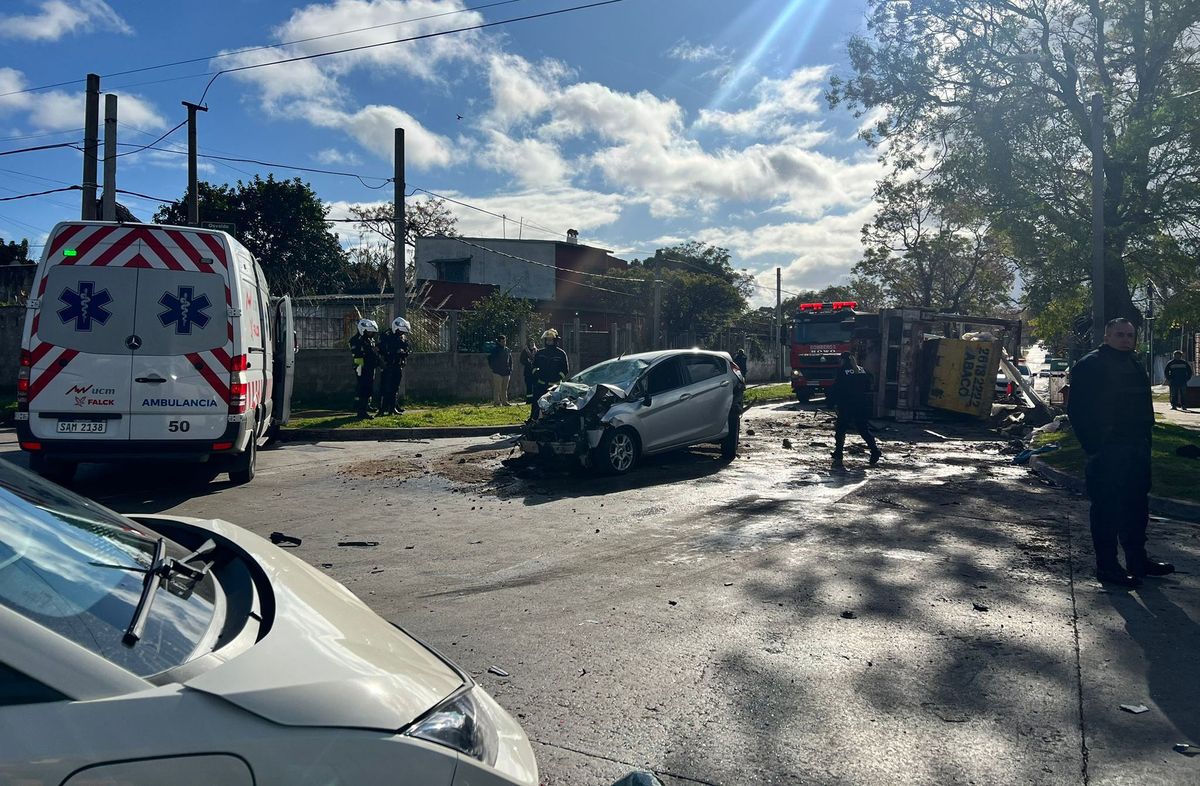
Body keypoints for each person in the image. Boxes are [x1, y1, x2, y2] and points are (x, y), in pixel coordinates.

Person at [1067, 317, 1173, 587]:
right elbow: (1078, 410)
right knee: (1107, 509)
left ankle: (1138, 560)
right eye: (1119, 335)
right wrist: (1094, 446)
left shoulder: (1134, 362)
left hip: (1137, 445)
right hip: (1108, 449)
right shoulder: (1092, 364)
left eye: (1129, 335)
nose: (1126, 339)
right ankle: (1108, 567)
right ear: (1106, 337)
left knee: (1137, 506)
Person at [828, 352, 881, 470]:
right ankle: (874, 450)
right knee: (863, 430)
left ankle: (838, 452)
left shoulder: (842, 371)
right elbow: (869, 383)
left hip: (846, 405)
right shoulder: (862, 370)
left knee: (841, 429)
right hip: (861, 405)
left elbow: (837, 388)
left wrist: (831, 403)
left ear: (843, 360)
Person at [529, 328, 570, 419]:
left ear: (555, 340)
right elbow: (533, 367)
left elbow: (565, 370)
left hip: (555, 387)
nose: (549, 342)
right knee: (536, 405)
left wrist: (557, 377)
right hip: (540, 385)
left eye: (551, 340)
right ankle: (533, 421)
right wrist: (537, 374)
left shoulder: (561, 354)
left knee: (554, 407)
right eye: (547, 340)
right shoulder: (540, 353)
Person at [348, 318, 381, 419]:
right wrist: (360, 368)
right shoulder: (356, 340)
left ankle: (366, 405)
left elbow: (372, 352)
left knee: (368, 388)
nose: (372, 333)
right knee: (363, 388)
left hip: (370, 367)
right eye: (370, 331)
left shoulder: (368, 339)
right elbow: (357, 356)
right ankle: (361, 411)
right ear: (363, 329)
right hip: (363, 368)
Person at [378, 316, 411, 416]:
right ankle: (382, 409)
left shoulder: (402, 337)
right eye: (401, 331)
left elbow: (408, 348)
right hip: (388, 365)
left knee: (395, 388)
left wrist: (404, 353)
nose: (402, 334)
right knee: (386, 388)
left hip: (398, 365)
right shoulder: (386, 336)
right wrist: (394, 352)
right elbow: (382, 349)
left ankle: (393, 408)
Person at [488, 334, 513, 406]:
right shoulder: (495, 350)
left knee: (504, 389)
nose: (504, 343)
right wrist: (494, 368)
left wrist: (510, 369)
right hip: (497, 372)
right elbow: (490, 360)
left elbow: (510, 360)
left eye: (505, 341)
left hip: (506, 372)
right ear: (499, 342)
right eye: (502, 341)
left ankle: (505, 402)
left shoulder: (507, 350)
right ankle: (497, 402)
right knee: (497, 388)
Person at [519, 336, 538, 402]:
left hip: (535, 371)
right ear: (528, 343)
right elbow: (521, 360)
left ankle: (535, 399)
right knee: (529, 386)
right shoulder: (525, 351)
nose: (532, 344)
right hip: (528, 371)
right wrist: (527, 362)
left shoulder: (536, 350)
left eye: (533, 342)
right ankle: (529, 400)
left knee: (535, 386)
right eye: (531, 342)